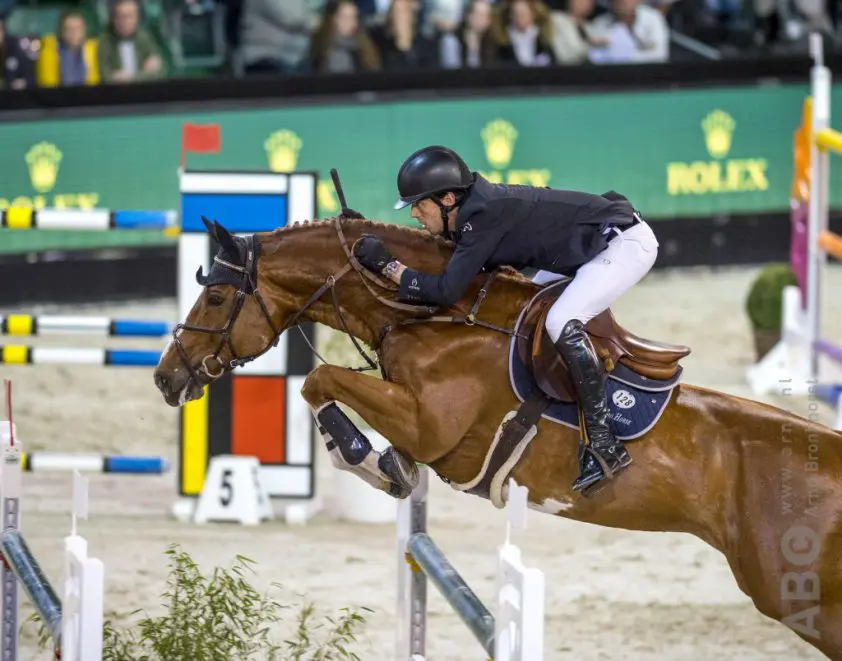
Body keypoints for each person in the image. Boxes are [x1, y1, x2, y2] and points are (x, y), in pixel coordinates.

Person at [352, 145, 659, 493]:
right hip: (579, 252)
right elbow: (439, 258)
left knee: (560, 322)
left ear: (448, 199)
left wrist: (388, 265)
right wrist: (363, 231)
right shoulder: (469, 213)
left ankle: (605, 444)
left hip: (622, 245)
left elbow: (445, 291)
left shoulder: (483, 216)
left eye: (420, 206)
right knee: (521, 315)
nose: (415, 215)